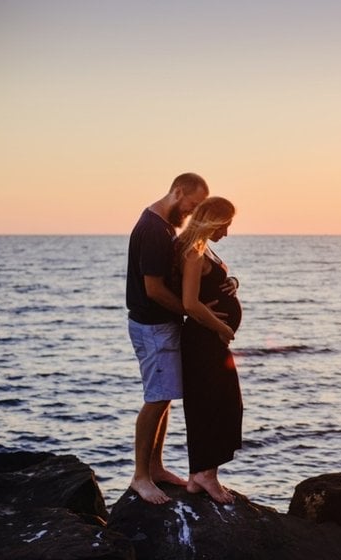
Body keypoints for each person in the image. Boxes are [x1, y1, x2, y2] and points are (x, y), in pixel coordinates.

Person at [125, 172, 209, 504]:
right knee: (156, 399)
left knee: (165, 396)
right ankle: (140, 477)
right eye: (193, 204)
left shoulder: (162, 226)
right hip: (153, 327)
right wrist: (190, 311)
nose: (192, 212)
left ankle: (156, 467)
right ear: (177, 192)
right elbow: (154, 289)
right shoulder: (153, 230)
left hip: (160, 327)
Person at [175, 197, 243, 504]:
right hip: (203, 341)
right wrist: (220, 326)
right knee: (213, 406)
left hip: (209, 339)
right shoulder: (192, 252)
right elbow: (190, 303)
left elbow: (211, 284)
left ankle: (197, 476)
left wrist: (233, 283)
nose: (227, 233)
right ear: (213, 221)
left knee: (223, 403)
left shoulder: (204, 247)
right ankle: (205, 475)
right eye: (225, 225)